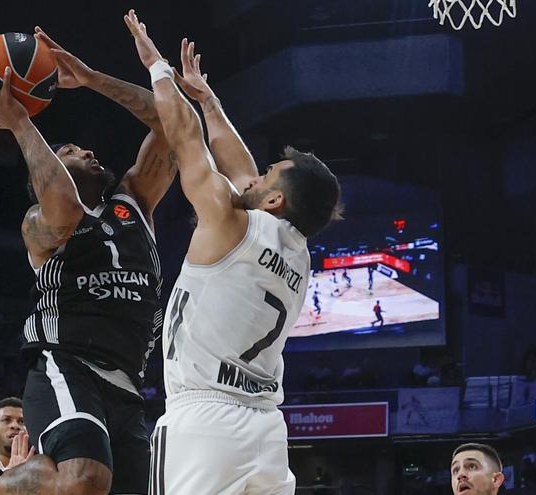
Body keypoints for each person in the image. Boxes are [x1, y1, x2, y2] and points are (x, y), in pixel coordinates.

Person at [0, 25, 175, 495]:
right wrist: (19, 123)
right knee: (86, 479)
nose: (87, 150)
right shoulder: (40, 222)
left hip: (130, 380)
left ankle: (12, 480)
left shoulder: (134, 202)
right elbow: (65, 206)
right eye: (69, 151)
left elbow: (173, 124)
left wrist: (93, 79)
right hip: (67, 363)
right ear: (48, 167)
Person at [125, 10, 341, 494]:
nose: (257, 175)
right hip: (266, 429)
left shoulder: (228, 221)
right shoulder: (298, 252)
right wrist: (210, 100)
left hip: (203, 421)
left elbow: (185, 139)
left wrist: (157, 66)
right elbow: (240, 170)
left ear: (274, 200)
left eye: (268, 175)